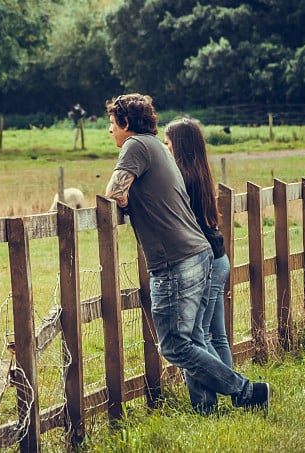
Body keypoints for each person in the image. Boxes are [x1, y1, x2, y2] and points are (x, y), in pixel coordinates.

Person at [104, 93, 268, 414]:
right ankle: (207, 410)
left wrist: (126, 202)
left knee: (175, 345)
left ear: (125, 122)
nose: (110, 130)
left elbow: (114, 192)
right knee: (193, 337)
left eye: (112, 123)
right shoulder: (158, 149)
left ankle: (248, 391)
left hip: (174, 261)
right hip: (198, 253)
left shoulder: (135, 146)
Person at [164, 117, 233, 369]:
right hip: (219, 256)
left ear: (179, 146)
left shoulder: (181, 178)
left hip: (206, 262)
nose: (166, 150)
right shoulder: (200, 172)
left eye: (168, 145)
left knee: (199, 336)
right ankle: (237, 395)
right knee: (219, 335)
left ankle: (238, 388)